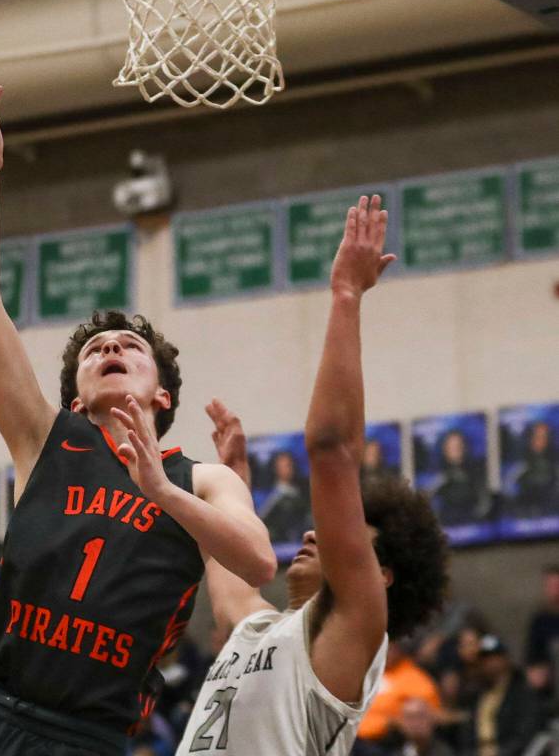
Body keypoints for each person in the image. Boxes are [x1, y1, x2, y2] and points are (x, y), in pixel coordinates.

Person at [0, 81, 275, 756]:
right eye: (94, 351)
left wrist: (161, 494)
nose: (109, 348)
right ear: (76, 397)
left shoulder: (198, 481)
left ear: (162, 396)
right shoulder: (47, 437)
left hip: (89, 738)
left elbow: (256, 560)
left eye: (129, 347)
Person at [177, 195, 450, 756]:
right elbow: (225, 560)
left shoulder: (354, 629)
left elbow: (331, 450)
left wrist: (346, 297)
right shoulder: (254, 628)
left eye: (348, 536)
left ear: (380, 575)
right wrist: (232, 483)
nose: (312, 532)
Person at [464, 635, 541, 756]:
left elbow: (525, 735)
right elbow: (465, 738)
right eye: (484, 659)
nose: (489, 663)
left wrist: (498, 753)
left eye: (494, 657)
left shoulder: (522, 692)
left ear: (505, 658)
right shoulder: (475, 696)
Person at [358, 640, 442, 746]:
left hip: (388, 743)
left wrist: (395, 723)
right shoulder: (364, 673)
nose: (384, 652)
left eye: (390, 649)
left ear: (400, 650)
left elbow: (431, 717)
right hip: (351, 739)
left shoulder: (417, 680)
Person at [525, 565, 559, 719]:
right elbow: (532, 660)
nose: (555, 591)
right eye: (551, 586)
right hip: (551, 683)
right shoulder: (541, 621)